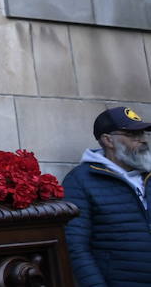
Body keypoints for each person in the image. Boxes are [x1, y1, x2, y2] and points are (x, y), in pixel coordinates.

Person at [61, 106, 151, 287]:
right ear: (108, 140)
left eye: (143, 134)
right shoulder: (80, 180)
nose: (142, 140)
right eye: (133, 135)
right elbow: (75, 246)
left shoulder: (147, 175)